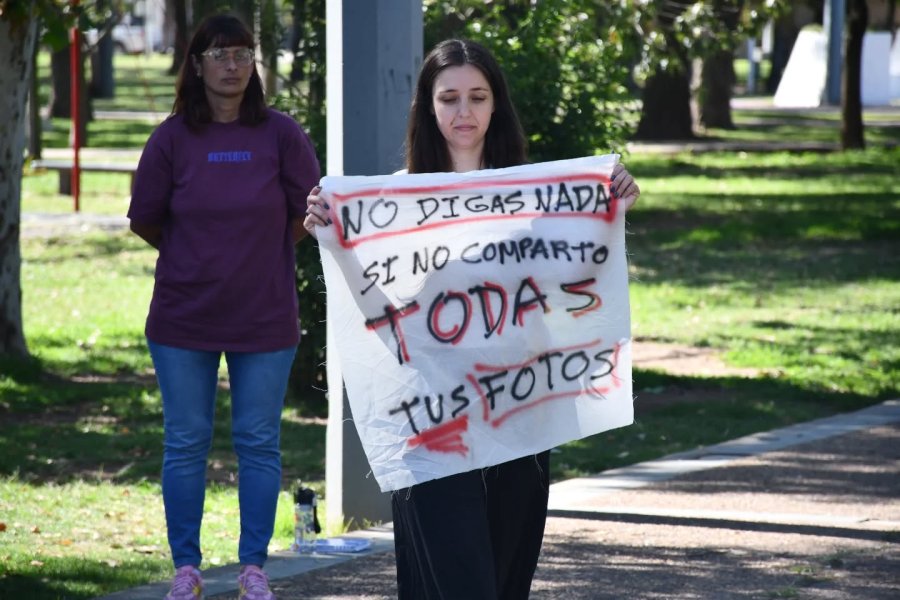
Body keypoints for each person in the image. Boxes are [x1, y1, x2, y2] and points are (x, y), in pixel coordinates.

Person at [304, 39, 639, 599]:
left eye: (478, 97)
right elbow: (380, 316)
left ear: (495, 105)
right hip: (433, 423)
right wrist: (336, 242)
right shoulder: (393, 204)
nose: (464, 113)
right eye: (450, 98)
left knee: (506, 583)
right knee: (460, 585)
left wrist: (610, 210)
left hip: (519, 416)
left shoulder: (536, 196)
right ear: (428, 107)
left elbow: (569, 285)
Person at [127, 13, 320, 600]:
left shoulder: (282, 134)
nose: (232, 65)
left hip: (265, 317)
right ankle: (186, 569)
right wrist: (200, 259)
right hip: (183, 318)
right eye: (218, 54)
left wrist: (255, 256)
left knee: (258, 441)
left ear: (253, 63)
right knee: (185, 441)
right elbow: (146, 218)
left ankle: (253, 569)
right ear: (197, 65)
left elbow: (309, 213)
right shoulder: (171, 138)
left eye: (241, 53)